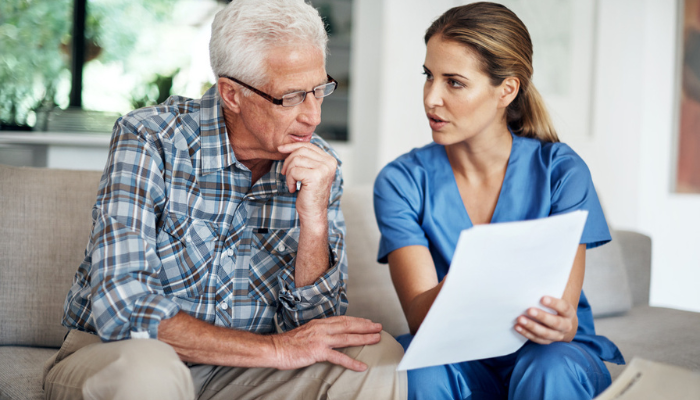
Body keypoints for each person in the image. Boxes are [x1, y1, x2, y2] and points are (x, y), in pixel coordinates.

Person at [42, 1, 406, 399]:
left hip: (245, 371)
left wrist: (314, 222)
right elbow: (122, 307)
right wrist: (275, 349)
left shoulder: (318, 166)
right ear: (231, 94)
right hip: (125, 356)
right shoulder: (150, 138)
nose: (314, 116)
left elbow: (319, 329)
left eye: (319, 89)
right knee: (151, 373)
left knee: (376, 355)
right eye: (292, 97)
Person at [373, 3, 624, 400]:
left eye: (454, 82)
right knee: (423, 370)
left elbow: (562, 311)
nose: (431, 98)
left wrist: (562, 323)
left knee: (551, 367)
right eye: (428, 76)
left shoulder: (561, 170)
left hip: (547, 352)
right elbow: (423, 319)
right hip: (454, 355)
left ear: (506, 90)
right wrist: (478, 274)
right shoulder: (402, 181)